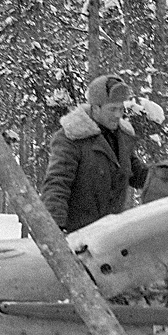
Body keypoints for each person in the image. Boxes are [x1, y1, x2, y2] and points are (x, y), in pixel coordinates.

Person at [40, 73, 149, 232]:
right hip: (79, 238)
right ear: (95, 108)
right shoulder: (72, 138)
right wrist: (54, 228)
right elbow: (57, 184)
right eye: (112, 109)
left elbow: (138, 174)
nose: (118, 115)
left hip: (111, 236)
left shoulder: (122, 137)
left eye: (120, 109)